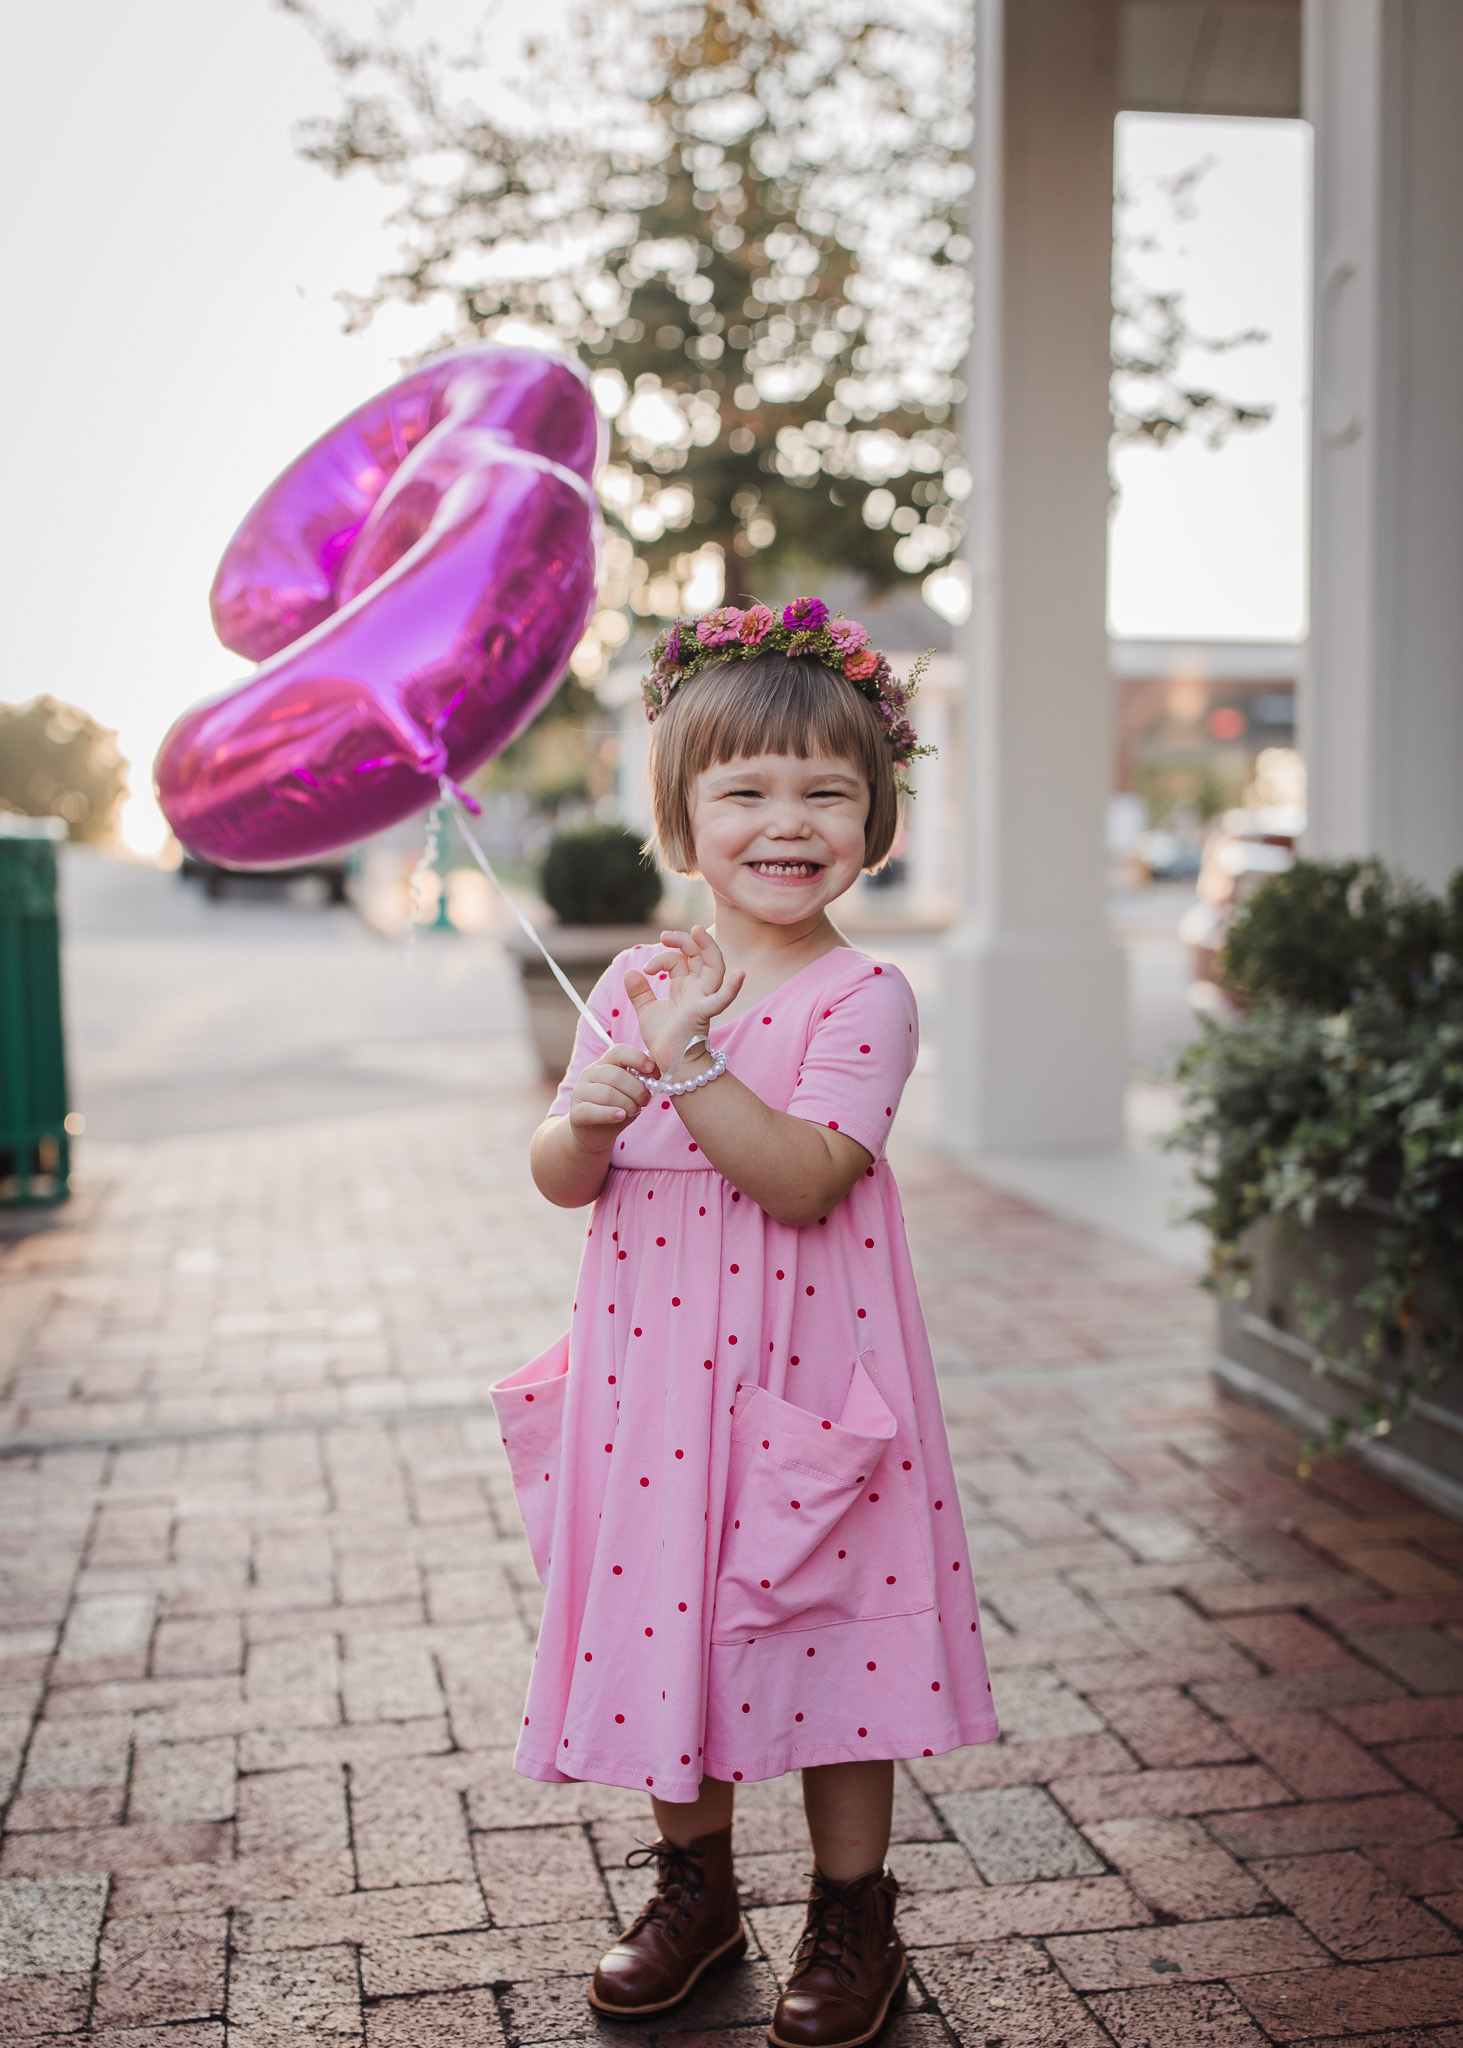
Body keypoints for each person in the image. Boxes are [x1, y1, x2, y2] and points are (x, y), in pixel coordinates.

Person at [492, 598, 996, 2048]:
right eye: (747, 793)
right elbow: (556, 1178)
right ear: (684, 816)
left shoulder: (866, 999)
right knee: (668, 1632)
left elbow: (799, 1178)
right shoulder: (641, 986)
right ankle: (693, 1888)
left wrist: (692, 1061)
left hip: (803, 1393)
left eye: (826, 793)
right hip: (654, 1393)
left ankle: (852, 1914)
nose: (788, 823)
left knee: (836, 1642)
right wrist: (588, 1113)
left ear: (876, 815)